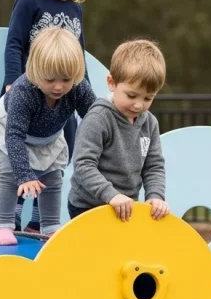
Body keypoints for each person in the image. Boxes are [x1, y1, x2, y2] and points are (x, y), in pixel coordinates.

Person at [0, 0, 96, 233]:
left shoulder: (75, 10)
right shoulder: (29, 3)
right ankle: (14, 214)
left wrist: (86, 94)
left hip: (62, 98)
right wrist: (11, 81)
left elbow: (79, 55)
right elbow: (15, 43)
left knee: (55, 161)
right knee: (18, 153)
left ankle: (39, 222)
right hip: (29, 92)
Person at [0, 27, 98, 246]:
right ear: (36, 72)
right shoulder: (23, 92)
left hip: (49, 138)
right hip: (11, 132)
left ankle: (50, 228)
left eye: (66, 79)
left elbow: (94, 118)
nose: (58, 87)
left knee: (54, 179)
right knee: (9, 175)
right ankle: (3, 225)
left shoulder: (77, 88)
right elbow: (14, 135)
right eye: (50, 80)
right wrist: (25, 175)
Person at [67, 39, 170, 222]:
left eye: (148, 98)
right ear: (112, 83)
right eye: (131, 95)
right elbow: (83, 165)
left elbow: (153, 166)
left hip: (126, 207)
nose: (138, 105)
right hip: (89, 206)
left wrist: (155, 195)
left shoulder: (149, 123)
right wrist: (111, 195)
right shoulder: (99, 118)